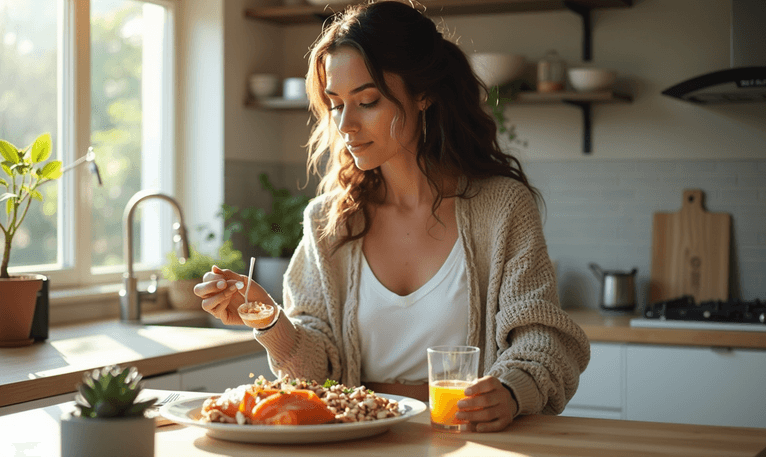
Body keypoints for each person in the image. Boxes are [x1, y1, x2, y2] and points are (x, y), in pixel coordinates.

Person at [195, 0, 590, 432]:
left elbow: (542, 338)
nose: (345, 124)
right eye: (336, 103)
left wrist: (513, 391)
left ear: (424, 95)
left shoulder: (502, 209)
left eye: (367, 101)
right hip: (360, 443)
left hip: (462, 441)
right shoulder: (329, 222)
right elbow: (314, 373)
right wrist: (268, 317)